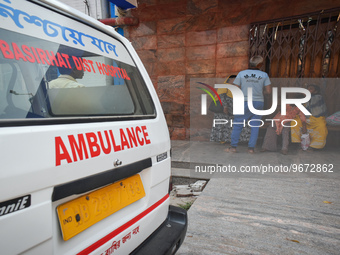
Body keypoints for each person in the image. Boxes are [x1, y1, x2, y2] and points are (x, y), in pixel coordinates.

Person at [228, 55, 272, 154]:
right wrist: (260, 93)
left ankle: (233, 147)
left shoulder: (241, 74)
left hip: (244, 101)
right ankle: (251, 149)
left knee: (238, 124)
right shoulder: (264, 75)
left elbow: (235, 88)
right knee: (255, 125)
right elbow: (269, 91)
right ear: (260, 64)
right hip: (258, 102)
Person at [210, 75, 251, 144]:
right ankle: (223, 139)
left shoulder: (235, 88)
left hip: (231, 110)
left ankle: (230, 139)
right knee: (223, 125)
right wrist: (225, 107)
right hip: (223, 110)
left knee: (229, 125)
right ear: (230, 79)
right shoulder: (224, 86)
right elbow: (221, 97)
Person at [291, 84, 328, 150]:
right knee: (294, 122)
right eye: (307, 89)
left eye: (311, 89)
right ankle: (299, 143)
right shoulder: (304, 98)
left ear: (315, 91)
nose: (308, 90)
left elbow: (317, 111)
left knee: (321, 126)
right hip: (304, 117)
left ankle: (313, 146)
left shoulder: (318, 97)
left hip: (317, 117)